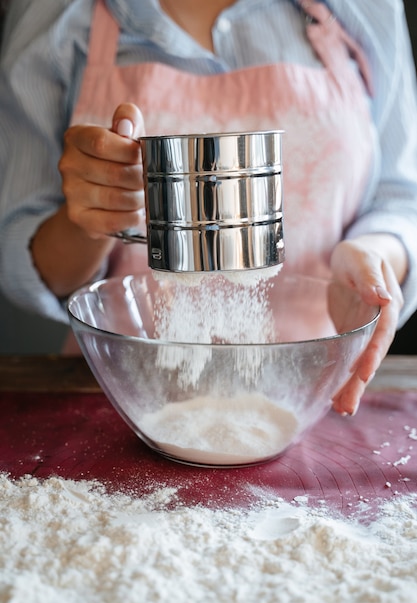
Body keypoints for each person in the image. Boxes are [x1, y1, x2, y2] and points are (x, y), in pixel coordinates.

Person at [0, 0, 416, 418]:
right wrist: (92, 220)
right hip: (121, 396)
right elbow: (25, 258)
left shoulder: (367, 6)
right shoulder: (54, 11)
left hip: (314, 390)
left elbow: (401, 199)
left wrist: (372, 257)